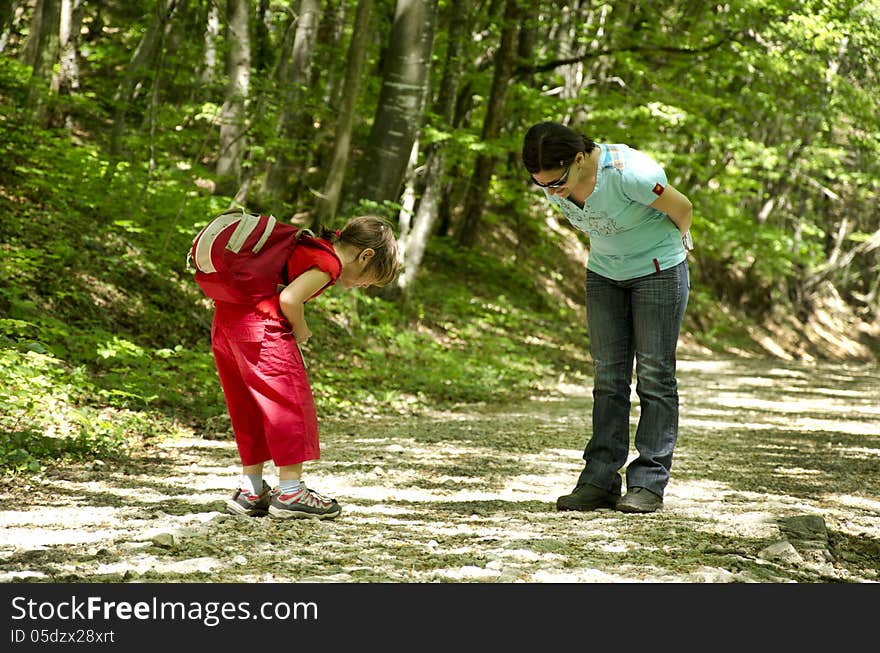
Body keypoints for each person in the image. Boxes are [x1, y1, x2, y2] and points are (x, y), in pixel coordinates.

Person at [521, 121, 692, 513]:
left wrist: (678, 250)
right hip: (605, 275)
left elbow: (682, 209)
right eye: (542, 184)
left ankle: (648, 483)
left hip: (658, 271)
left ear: (580, 159)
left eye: (556, 181)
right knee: (608, 377)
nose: (551, 191)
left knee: (653, 376)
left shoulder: (629, 173)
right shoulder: (557, 184)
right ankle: (599, 479)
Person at [213, 214, 400, 520]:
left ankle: (251, 490)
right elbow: (289, 298)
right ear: (366, 255)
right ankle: (290, 492)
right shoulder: (328, 263)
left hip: (227, 326)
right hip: (264, 332)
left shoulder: (309, 246)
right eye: (370, 278)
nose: (364, 286)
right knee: (290, 406)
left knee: (249, 408)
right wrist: (300, 329)